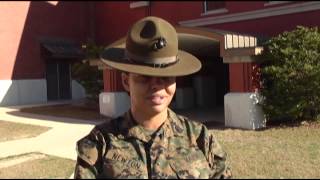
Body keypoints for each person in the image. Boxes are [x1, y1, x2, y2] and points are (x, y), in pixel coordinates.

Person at [74, 16, 231, 179]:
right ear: (126, 81)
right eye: (145, 77)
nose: (157, 85)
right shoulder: (100, 144)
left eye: (166, 77)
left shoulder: (201, 139)